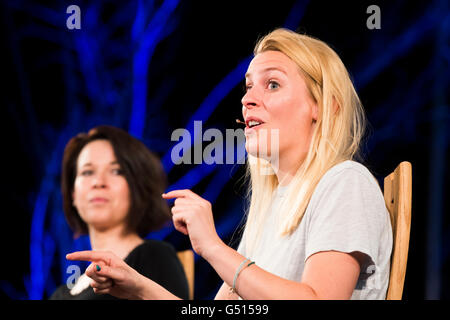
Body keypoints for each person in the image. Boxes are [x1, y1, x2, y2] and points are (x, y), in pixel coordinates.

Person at [67, 28, 393, 300]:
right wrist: (137, 285)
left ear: (322, 107)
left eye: (273, 84)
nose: (247, 99)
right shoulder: (271, 212)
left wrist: (211, 246)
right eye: (249, 86)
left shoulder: (346, 181)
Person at [50, 125, 189, 300]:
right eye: (87, 172)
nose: (98, 182)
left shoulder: (155, 257)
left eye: (116, 171)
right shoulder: (59, 294)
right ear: (73, 195)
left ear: (137, 187)